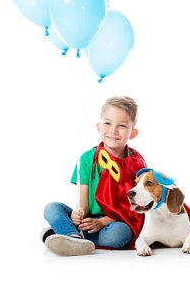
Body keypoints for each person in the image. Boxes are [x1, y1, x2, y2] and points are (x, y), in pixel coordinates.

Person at [41, 96, 147, 256]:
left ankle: (67, 234)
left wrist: (102, 222)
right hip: (90, 221)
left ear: (133, 133)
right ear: (99, 127)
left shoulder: (136, 163)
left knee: (121, 233)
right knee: (52, 208)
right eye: (107, 123)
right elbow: (83, 205)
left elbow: (133, 207)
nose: (113, 130)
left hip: (113, 221)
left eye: (122, 126)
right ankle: (73, 236)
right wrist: (80, 214)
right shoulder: (87, 159)